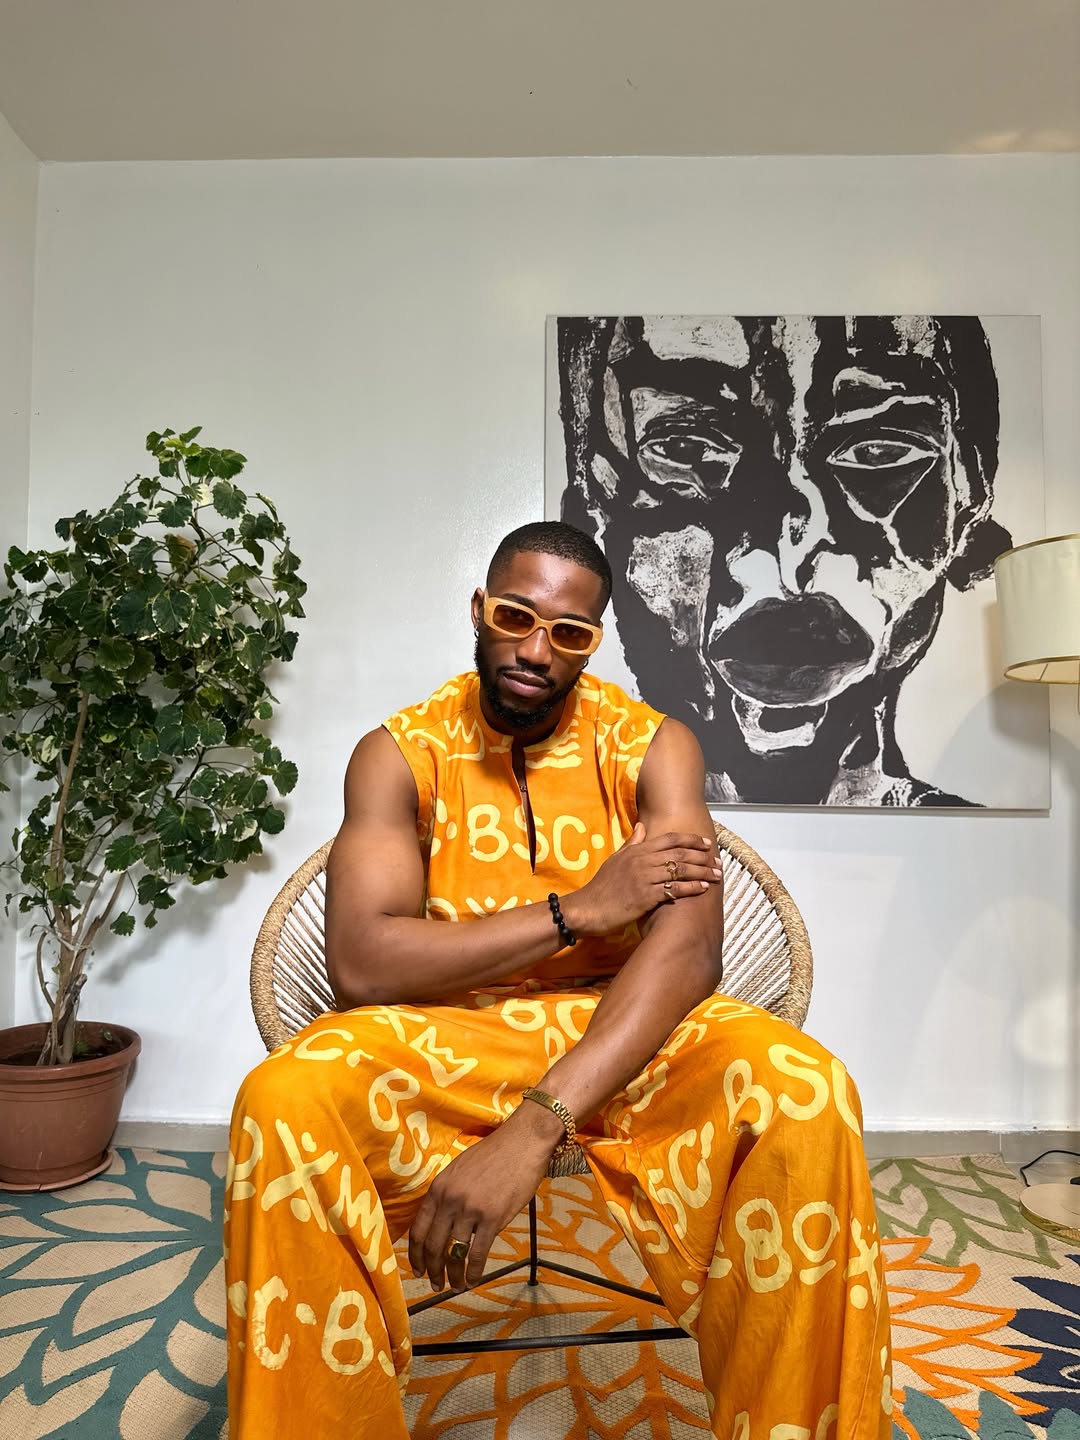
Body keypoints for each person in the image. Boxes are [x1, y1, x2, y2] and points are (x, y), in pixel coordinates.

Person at [224, 520, 892, 1438]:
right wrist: (579, 909)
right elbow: (364, 963)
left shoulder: (654, 746)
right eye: (516, 617)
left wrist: (540, 1123)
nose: (537, 651)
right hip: (447, 1031)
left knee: (806, 1089)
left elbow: (690, 951)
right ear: (480, 609)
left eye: (568, 632)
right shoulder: (400, 752)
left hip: (627, 1034)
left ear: (594, 640)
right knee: (280, 1098)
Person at [554, 314, 1014, 806]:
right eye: (685, 447)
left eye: (878, 452)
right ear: (591, 511)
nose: (787, 562)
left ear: (968, 506)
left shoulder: (978, 846)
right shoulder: (564, 843)